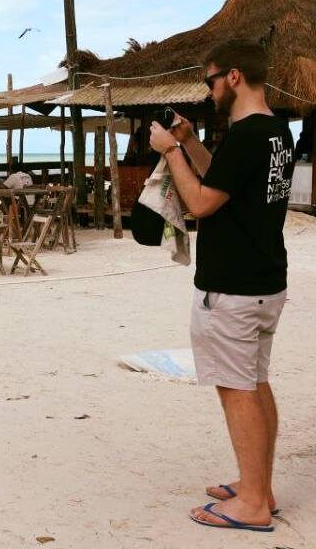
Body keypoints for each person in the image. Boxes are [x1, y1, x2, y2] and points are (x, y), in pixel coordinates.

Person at [147, 39, 294, 532]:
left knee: (237, 389)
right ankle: (260, 487)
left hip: (231, 286)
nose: (208, 91)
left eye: (210, 80)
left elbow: (202, 204)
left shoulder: (250, 135)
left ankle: (252, 504)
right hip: (265, 278)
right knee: (254, 382)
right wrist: (189, 143)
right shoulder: (276, 133)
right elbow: (226, 182)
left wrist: (168, 152)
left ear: (233, 77)